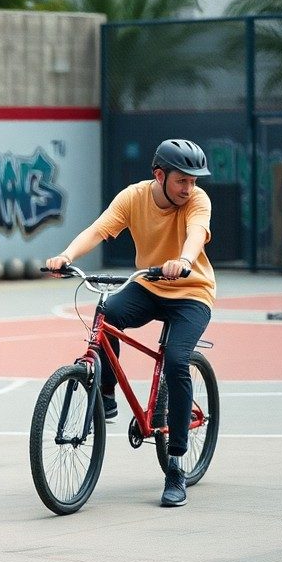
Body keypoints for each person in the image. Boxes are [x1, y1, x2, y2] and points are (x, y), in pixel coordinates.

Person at [45, 138, 215, 508]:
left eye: (193, 181)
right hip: (150, 285)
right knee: (107, 314)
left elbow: (196, 234)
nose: (189, 188)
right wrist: (66, 255)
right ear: (159, 176)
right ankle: (106, 394)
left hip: (191, 292)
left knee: (176, 361)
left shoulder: (198, 201)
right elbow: (98, 229)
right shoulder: (133, 198)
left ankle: (175, 466)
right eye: (182, 180)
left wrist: (184, 261)